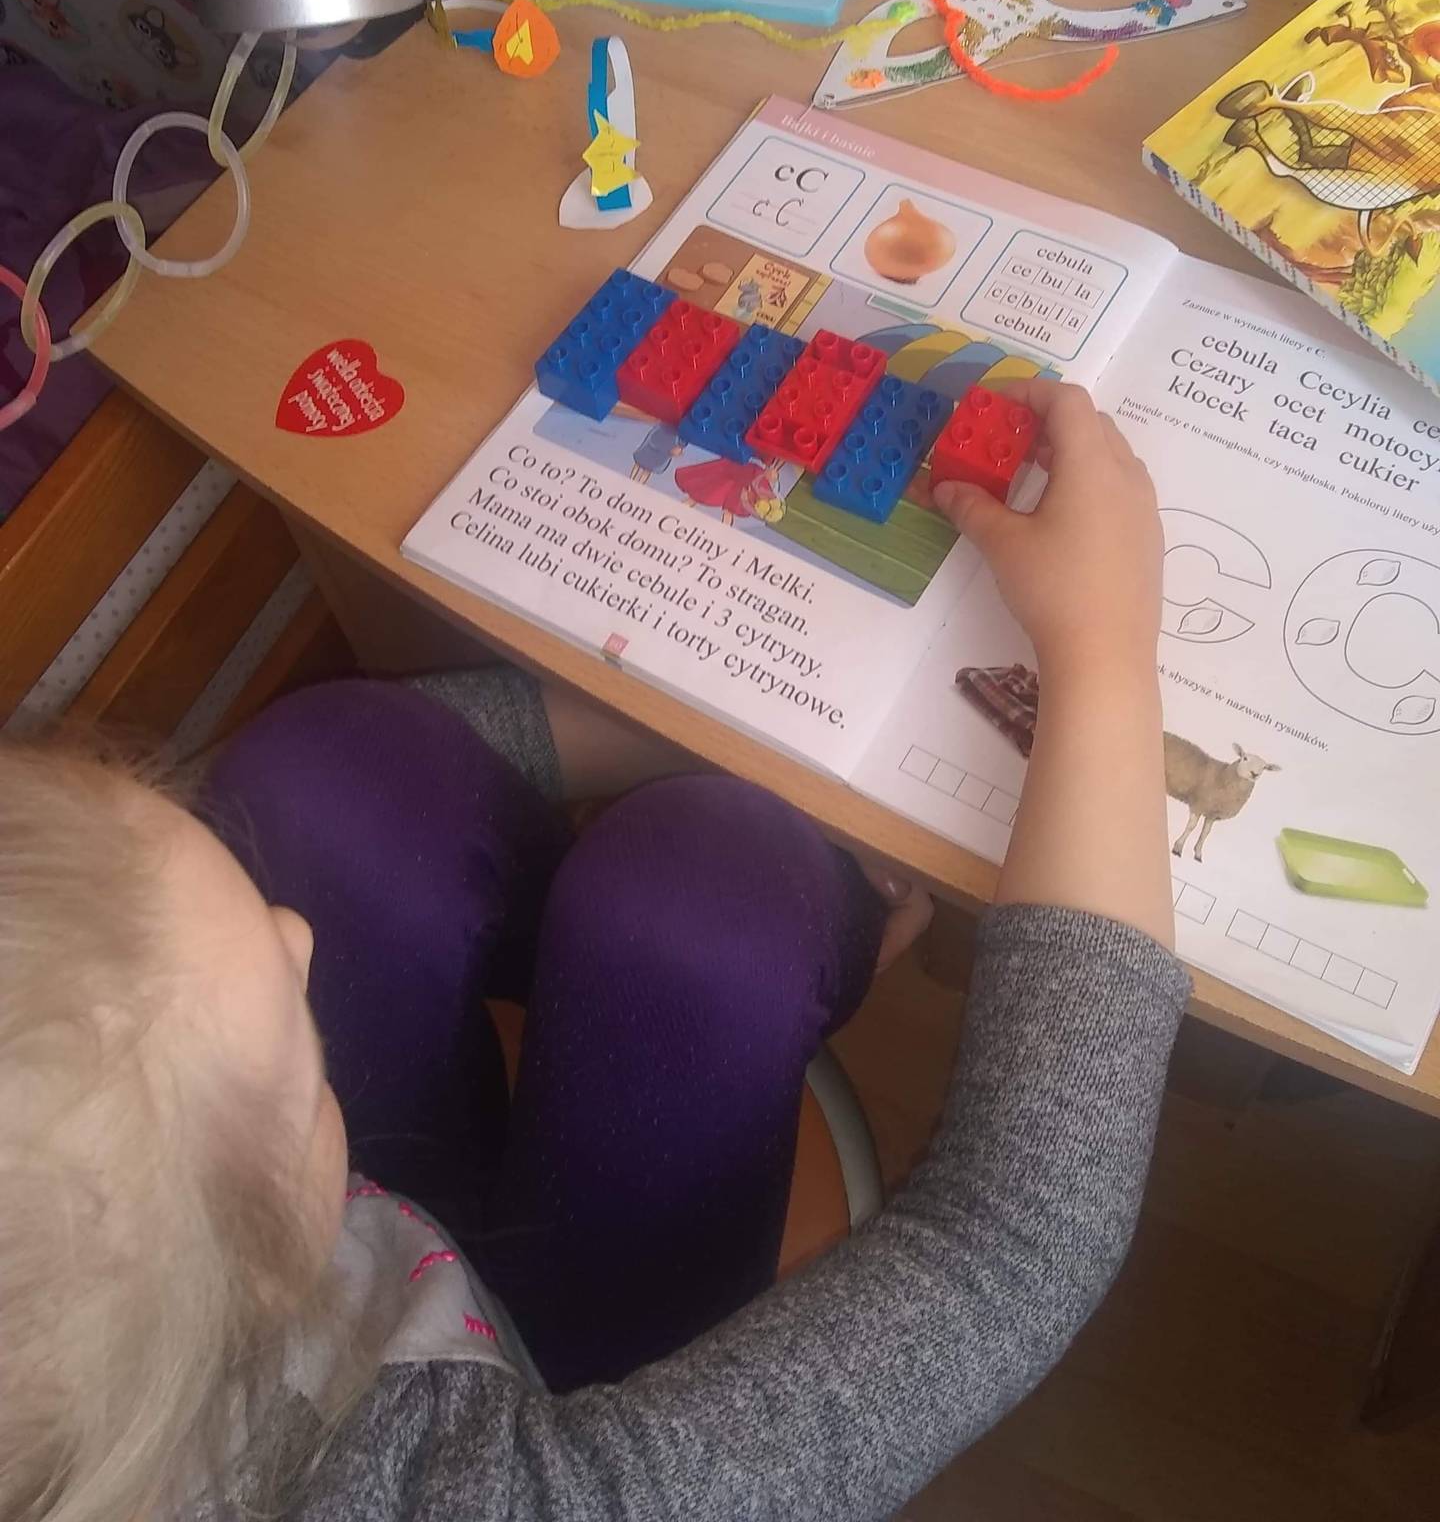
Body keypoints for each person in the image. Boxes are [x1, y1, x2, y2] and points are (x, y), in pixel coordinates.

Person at [0, 380, 1187, 1522]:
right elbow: (1019, 1239)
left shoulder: (94, 1318)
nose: (293, 934)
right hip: (574, 1388)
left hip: (388, 1268)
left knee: (310, 787)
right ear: (255, 1279)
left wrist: (713, 716)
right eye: (286, 1054)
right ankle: (784, 916)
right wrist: (1101, 646)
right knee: (711, 900)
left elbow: (287, 823)